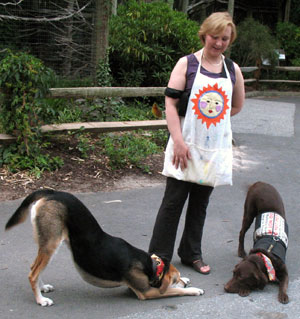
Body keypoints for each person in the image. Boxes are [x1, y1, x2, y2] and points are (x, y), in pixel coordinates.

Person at [148, 11, 245, 274]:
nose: (219, 43)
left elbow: (235, 106)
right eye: (215, 37)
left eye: (225, 38)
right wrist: (178, 141)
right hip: (184, 145)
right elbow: (170, 103)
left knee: (200, 204)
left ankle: (191, 253)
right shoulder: (187, 64)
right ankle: (158, 259)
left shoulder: (232, 70)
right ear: (204, 35)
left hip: (212, 149)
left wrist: (212, 121)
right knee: (172, 203)